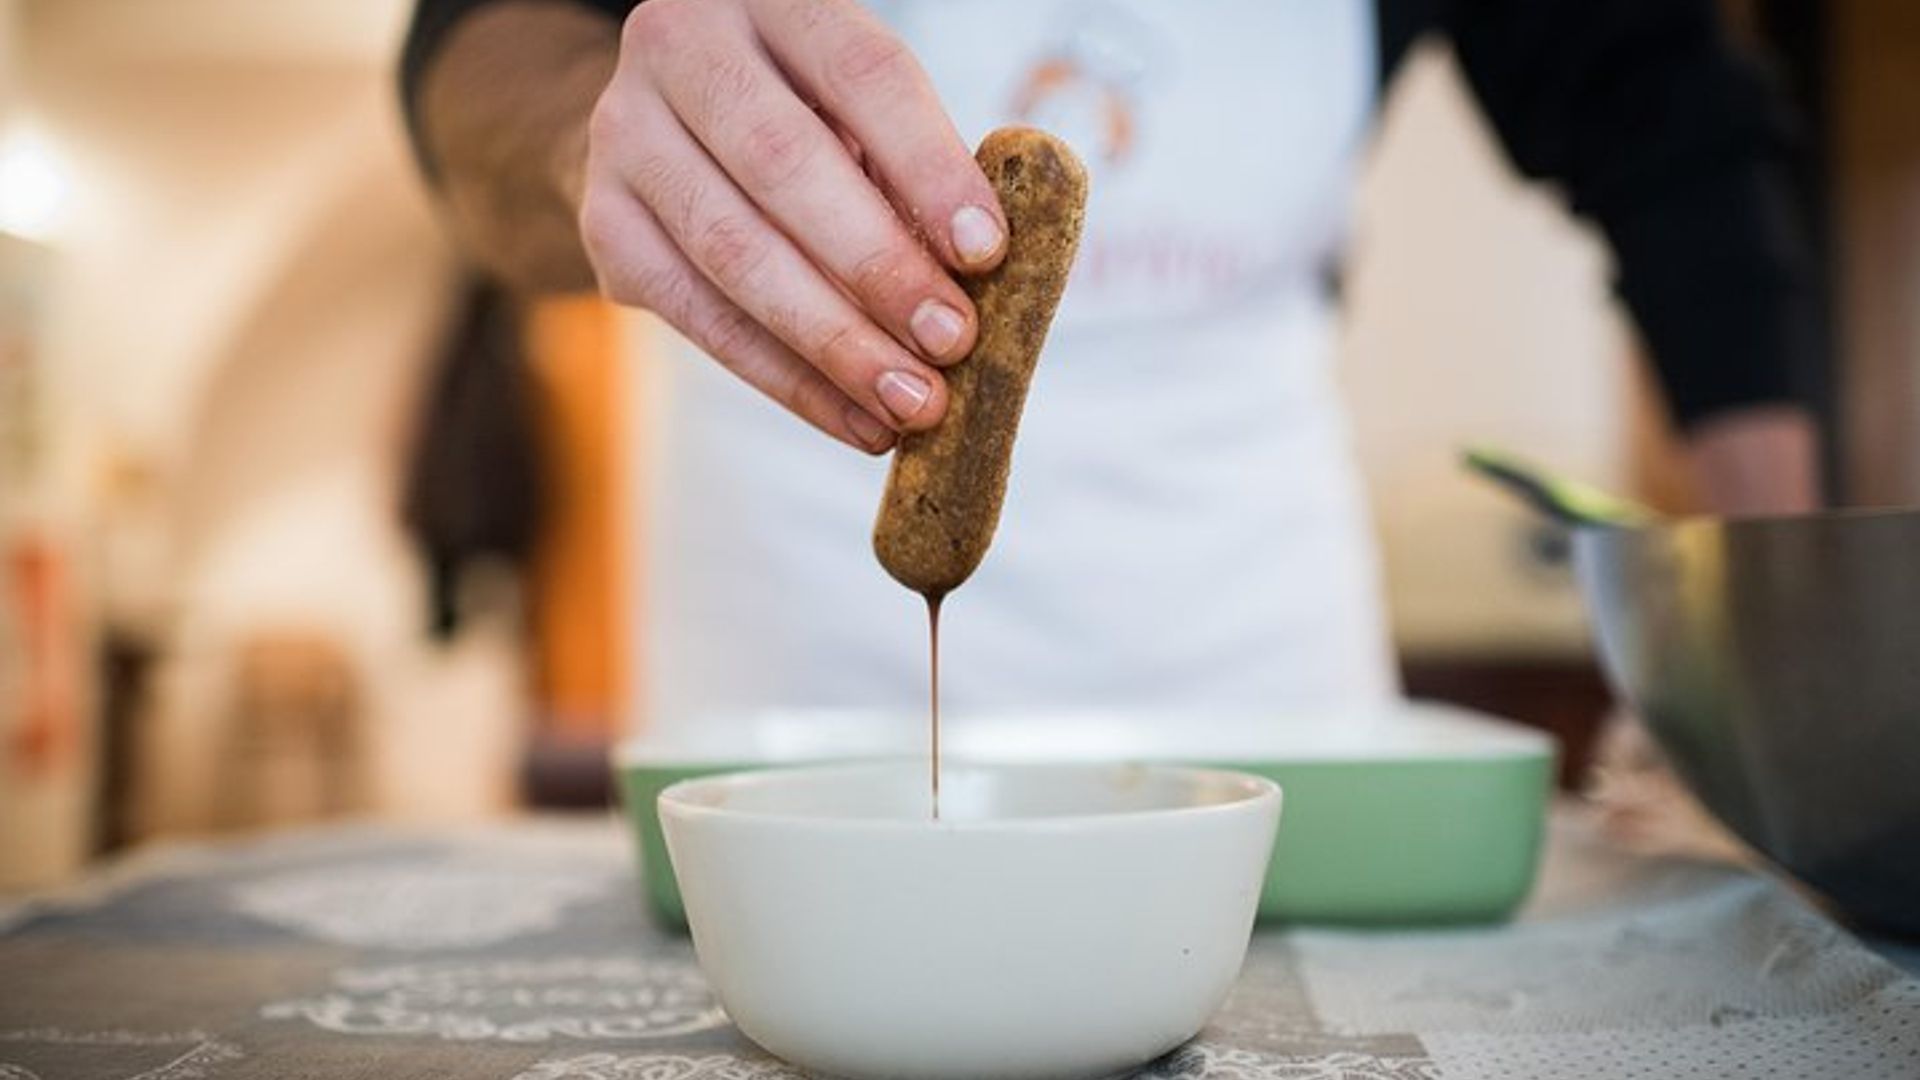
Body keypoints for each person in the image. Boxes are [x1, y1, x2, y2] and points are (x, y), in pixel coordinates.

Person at [399, 0, 1822, 733]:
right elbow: (474, 53)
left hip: (1264, 697)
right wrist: (595, 144)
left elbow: (1685, 142)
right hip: (796, 689)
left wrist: (1773, 674)